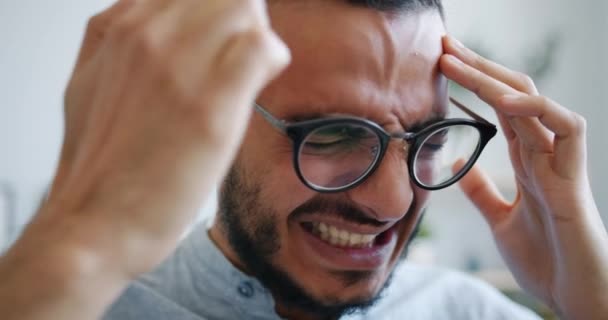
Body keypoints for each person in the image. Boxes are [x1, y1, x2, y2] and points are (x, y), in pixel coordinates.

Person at [0, 0, 606, 319]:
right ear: (216, 123)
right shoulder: (69, 306)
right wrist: (78, 241)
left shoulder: (472, 314)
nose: (394, 203)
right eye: (336, 133)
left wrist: (590, 302)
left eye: (430, 137)